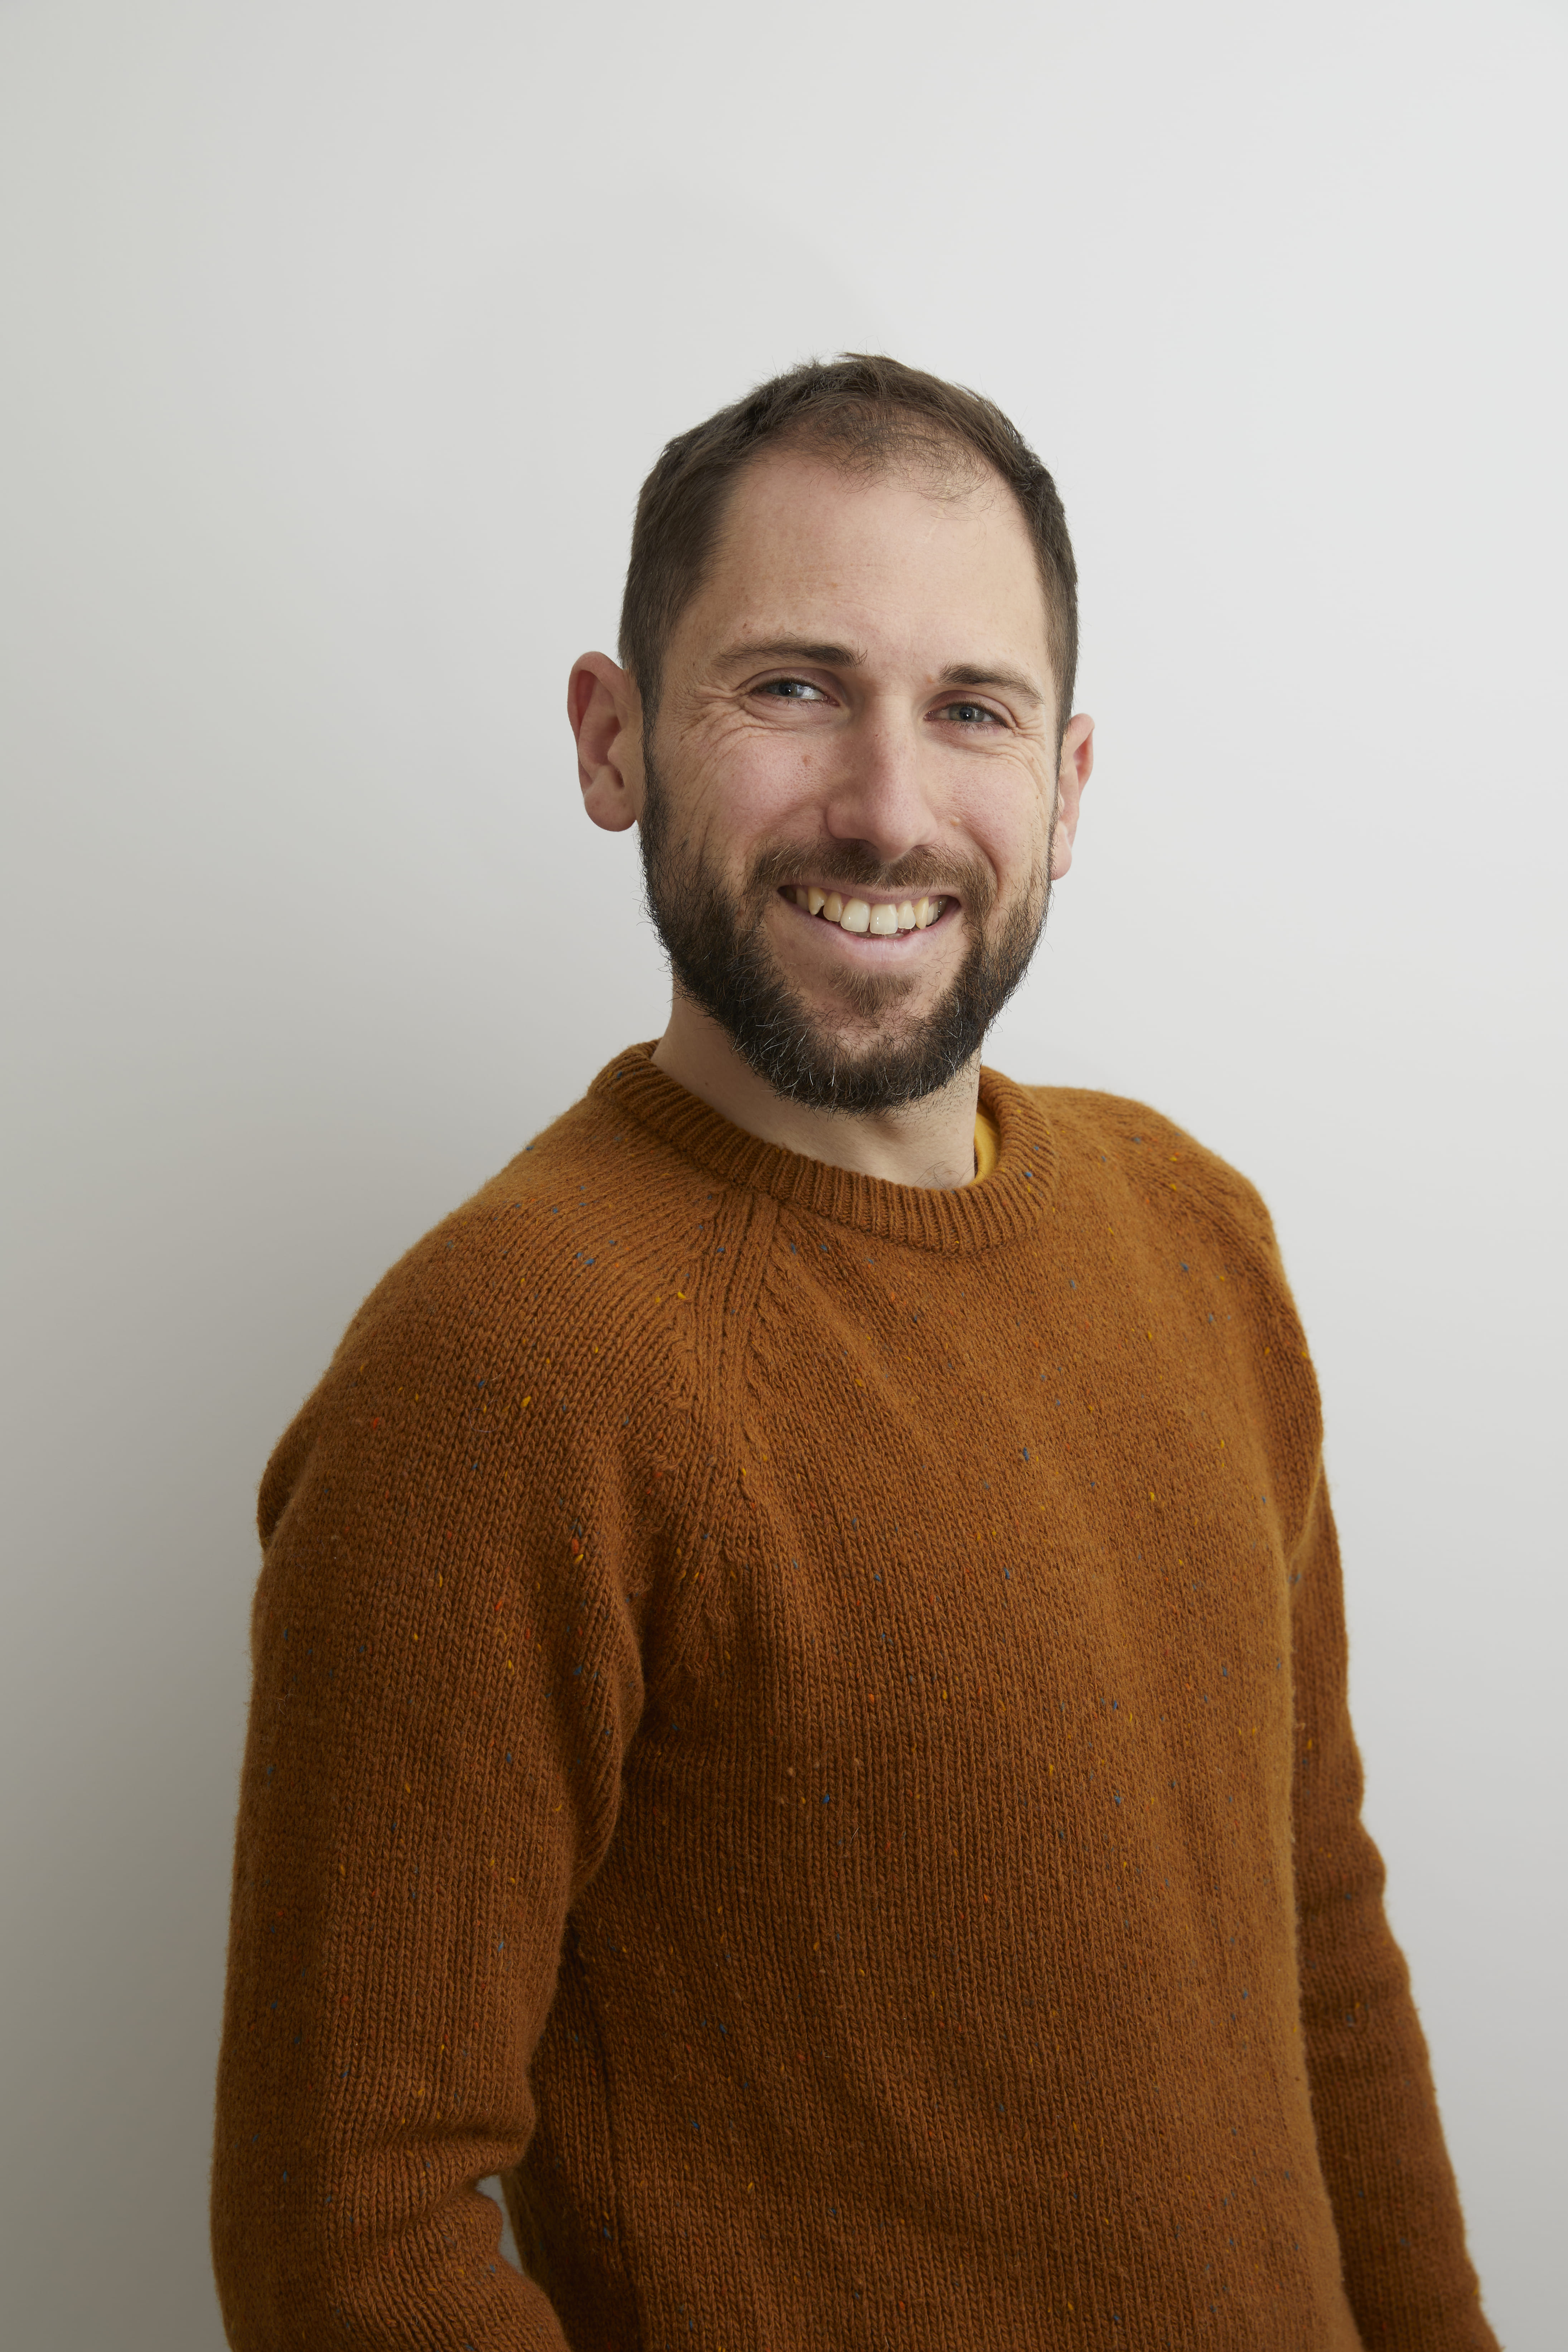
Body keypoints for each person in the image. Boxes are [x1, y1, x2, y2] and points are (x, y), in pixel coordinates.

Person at [211, 355, 1496, 2350]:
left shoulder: (1198, 1237)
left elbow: (1316, 1940)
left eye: (973, 709)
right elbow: (347, 2236)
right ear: (614, 740)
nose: (890, 810)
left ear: (1068, 786)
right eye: (795, 687)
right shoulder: (500, 1373)